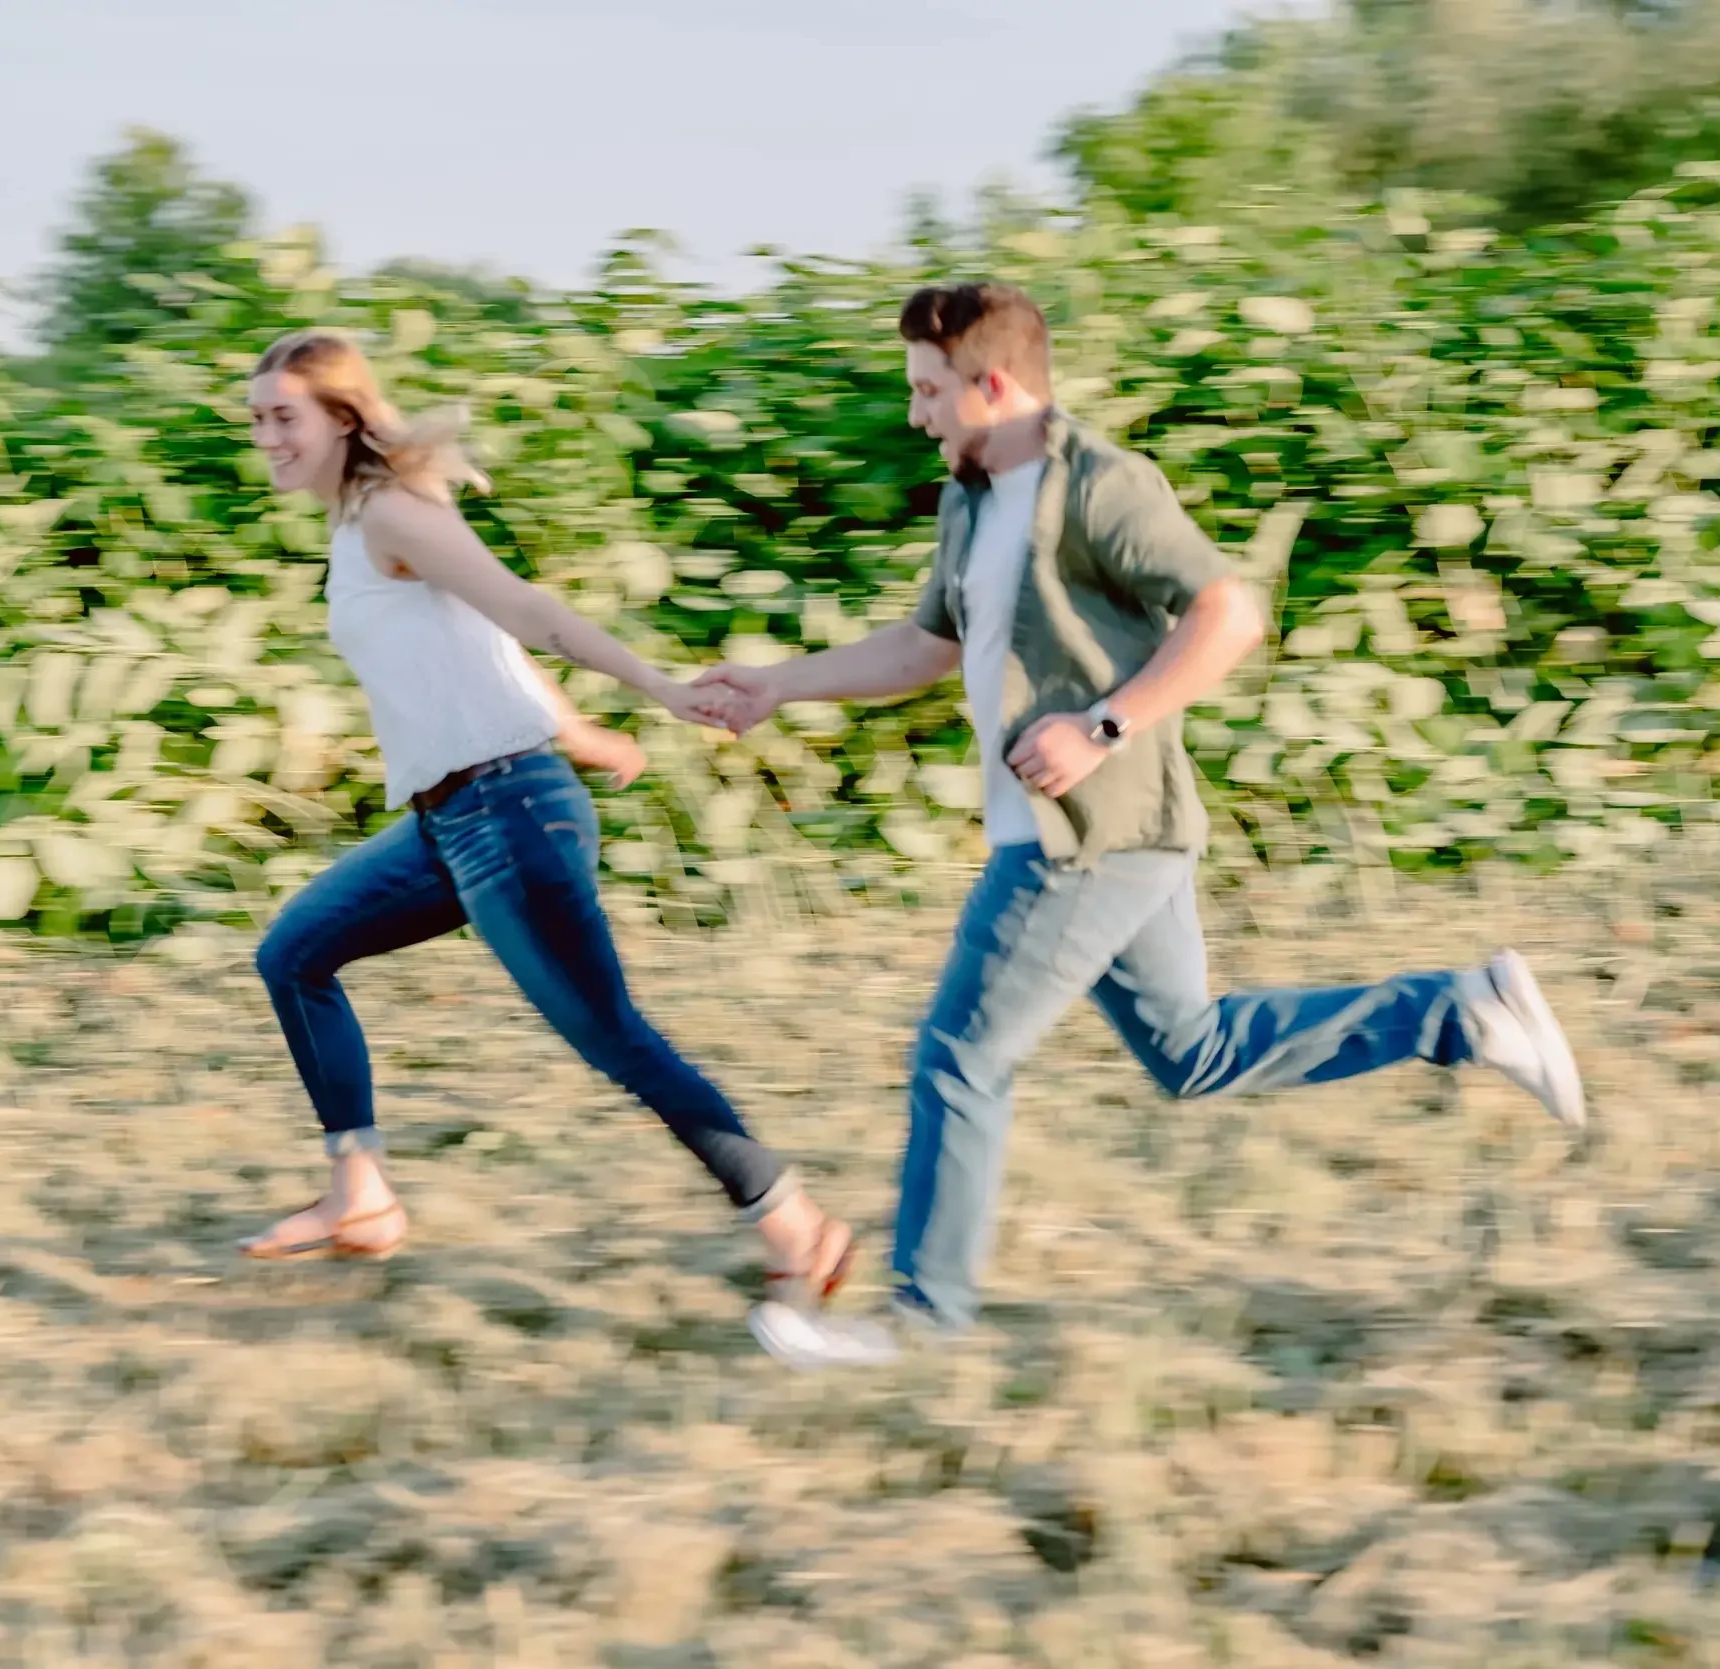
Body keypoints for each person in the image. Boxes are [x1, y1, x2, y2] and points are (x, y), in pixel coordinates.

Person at [691, 283, 1584, 1360]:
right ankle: (1462, 1012)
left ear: (994, 383)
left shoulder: (1103, 486)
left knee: (959, 1059)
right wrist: (776, 685)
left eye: (928, 391)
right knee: (1192, 1052)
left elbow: (1231, 613)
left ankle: (923, 1326)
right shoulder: (972, 497)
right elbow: (924, 648)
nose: (916, 413)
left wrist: (1101, 726)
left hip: (1089, 829)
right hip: (1112, 832)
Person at [237, 329, 855, 1311]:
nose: (265, 435)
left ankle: (794, 1221)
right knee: (295, 955)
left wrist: (657, 687)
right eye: (257, 418)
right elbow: (481, 641)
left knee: (610, 1035)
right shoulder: (363, 523)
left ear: (342, 418)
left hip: (506, 811)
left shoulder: (393, 512)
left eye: (283, 416)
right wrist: (578, 730)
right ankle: (360, 1195)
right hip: (452, 818)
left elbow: (528, 612)